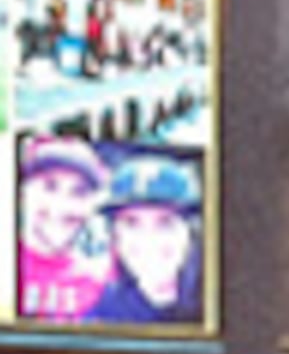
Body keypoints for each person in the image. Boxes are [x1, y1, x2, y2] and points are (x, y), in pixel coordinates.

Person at [87, 153, 204, 326]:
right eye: (131, 223)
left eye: (165, 223)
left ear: (190, 232)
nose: (149, 239)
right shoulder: (102, 312)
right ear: (115, 236)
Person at [13, 139, 111, 321]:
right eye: (49, 187)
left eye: (79, 192)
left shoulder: (101, 287)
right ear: (22, 192)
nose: (61, 206)